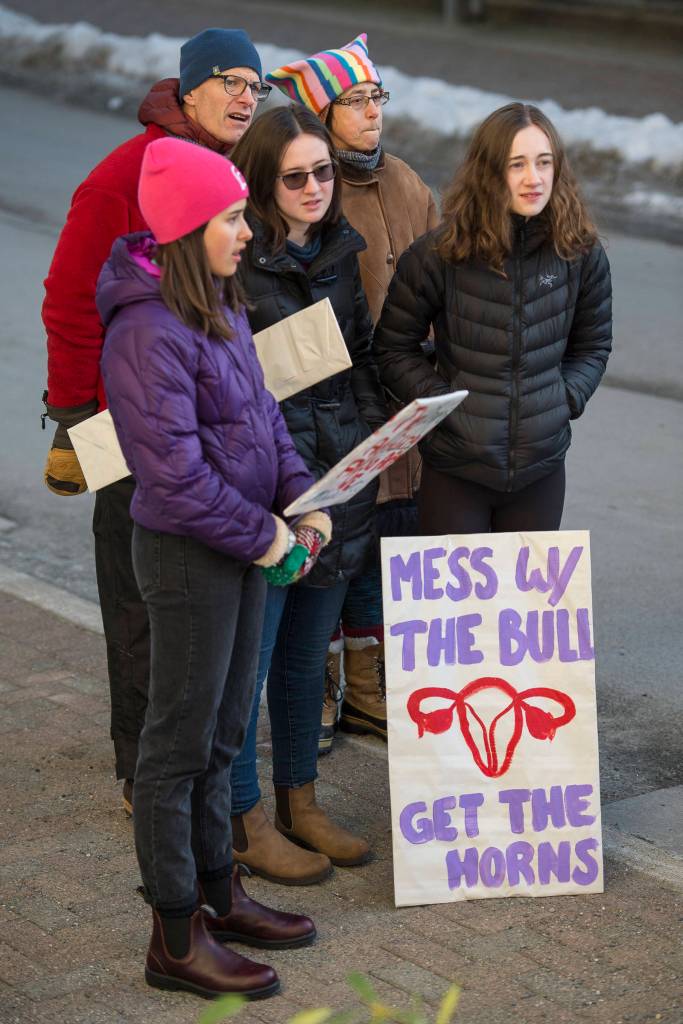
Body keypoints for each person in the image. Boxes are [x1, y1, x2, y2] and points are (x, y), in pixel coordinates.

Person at [98, 136, 330, 998]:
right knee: (177, 747)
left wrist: (302, 495)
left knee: (225, 731)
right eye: (233, 216)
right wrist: (267, 537)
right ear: (191, 226)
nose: (247, 230)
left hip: (239, 544)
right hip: (189, 555)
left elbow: (262, 418)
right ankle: (173, 935)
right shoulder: (145, 329)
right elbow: (175, 475)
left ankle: (218, 892)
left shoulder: (219, 302)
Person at [41, 27, 271, 812]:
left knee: (203, 605)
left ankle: (195, 772)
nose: (246, 98)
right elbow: (70, 296)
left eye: (256, 86)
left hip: (207, 419)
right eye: (230, 82)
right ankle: (143, 771)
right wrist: (74, 416)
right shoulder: (127, 173)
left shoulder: (225, 168)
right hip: (126, 425)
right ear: (189, 89)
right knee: (139, 601)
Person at [226, 105, 387, 885]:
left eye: (323, 171)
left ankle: (302, 800)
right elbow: (228, 392)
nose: (316, 186)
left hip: (339, 485)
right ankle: (242, 817)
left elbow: (355, 364)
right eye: (296, 176)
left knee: (301, 663)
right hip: (268, 497)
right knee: (246, 670)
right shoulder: (234, 261)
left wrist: (372, 446)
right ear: (262, 182)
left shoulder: (341, 250)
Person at [268, 33, 439, 751]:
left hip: (401, 391)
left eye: (376, 97)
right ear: (320, 113)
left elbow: (440, 268)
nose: (372, 112)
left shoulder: (403, 181)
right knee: (331, 552)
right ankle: (323, 687)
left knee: (380, 543)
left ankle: (367, 688)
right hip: (331, 401)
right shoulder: (310, 187)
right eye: (354, 100)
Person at [374, 102, 612, 534]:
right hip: (456, 472)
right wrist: (442, 405)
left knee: (527, 605)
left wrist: (565, 399)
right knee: (456, 608)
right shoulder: (438, 254)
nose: (533, 178)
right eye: (516, 164)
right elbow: (392, 348)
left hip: (541, 471)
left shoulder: (580, 252)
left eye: (544, 162)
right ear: (489, 170)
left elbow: (593, 345)